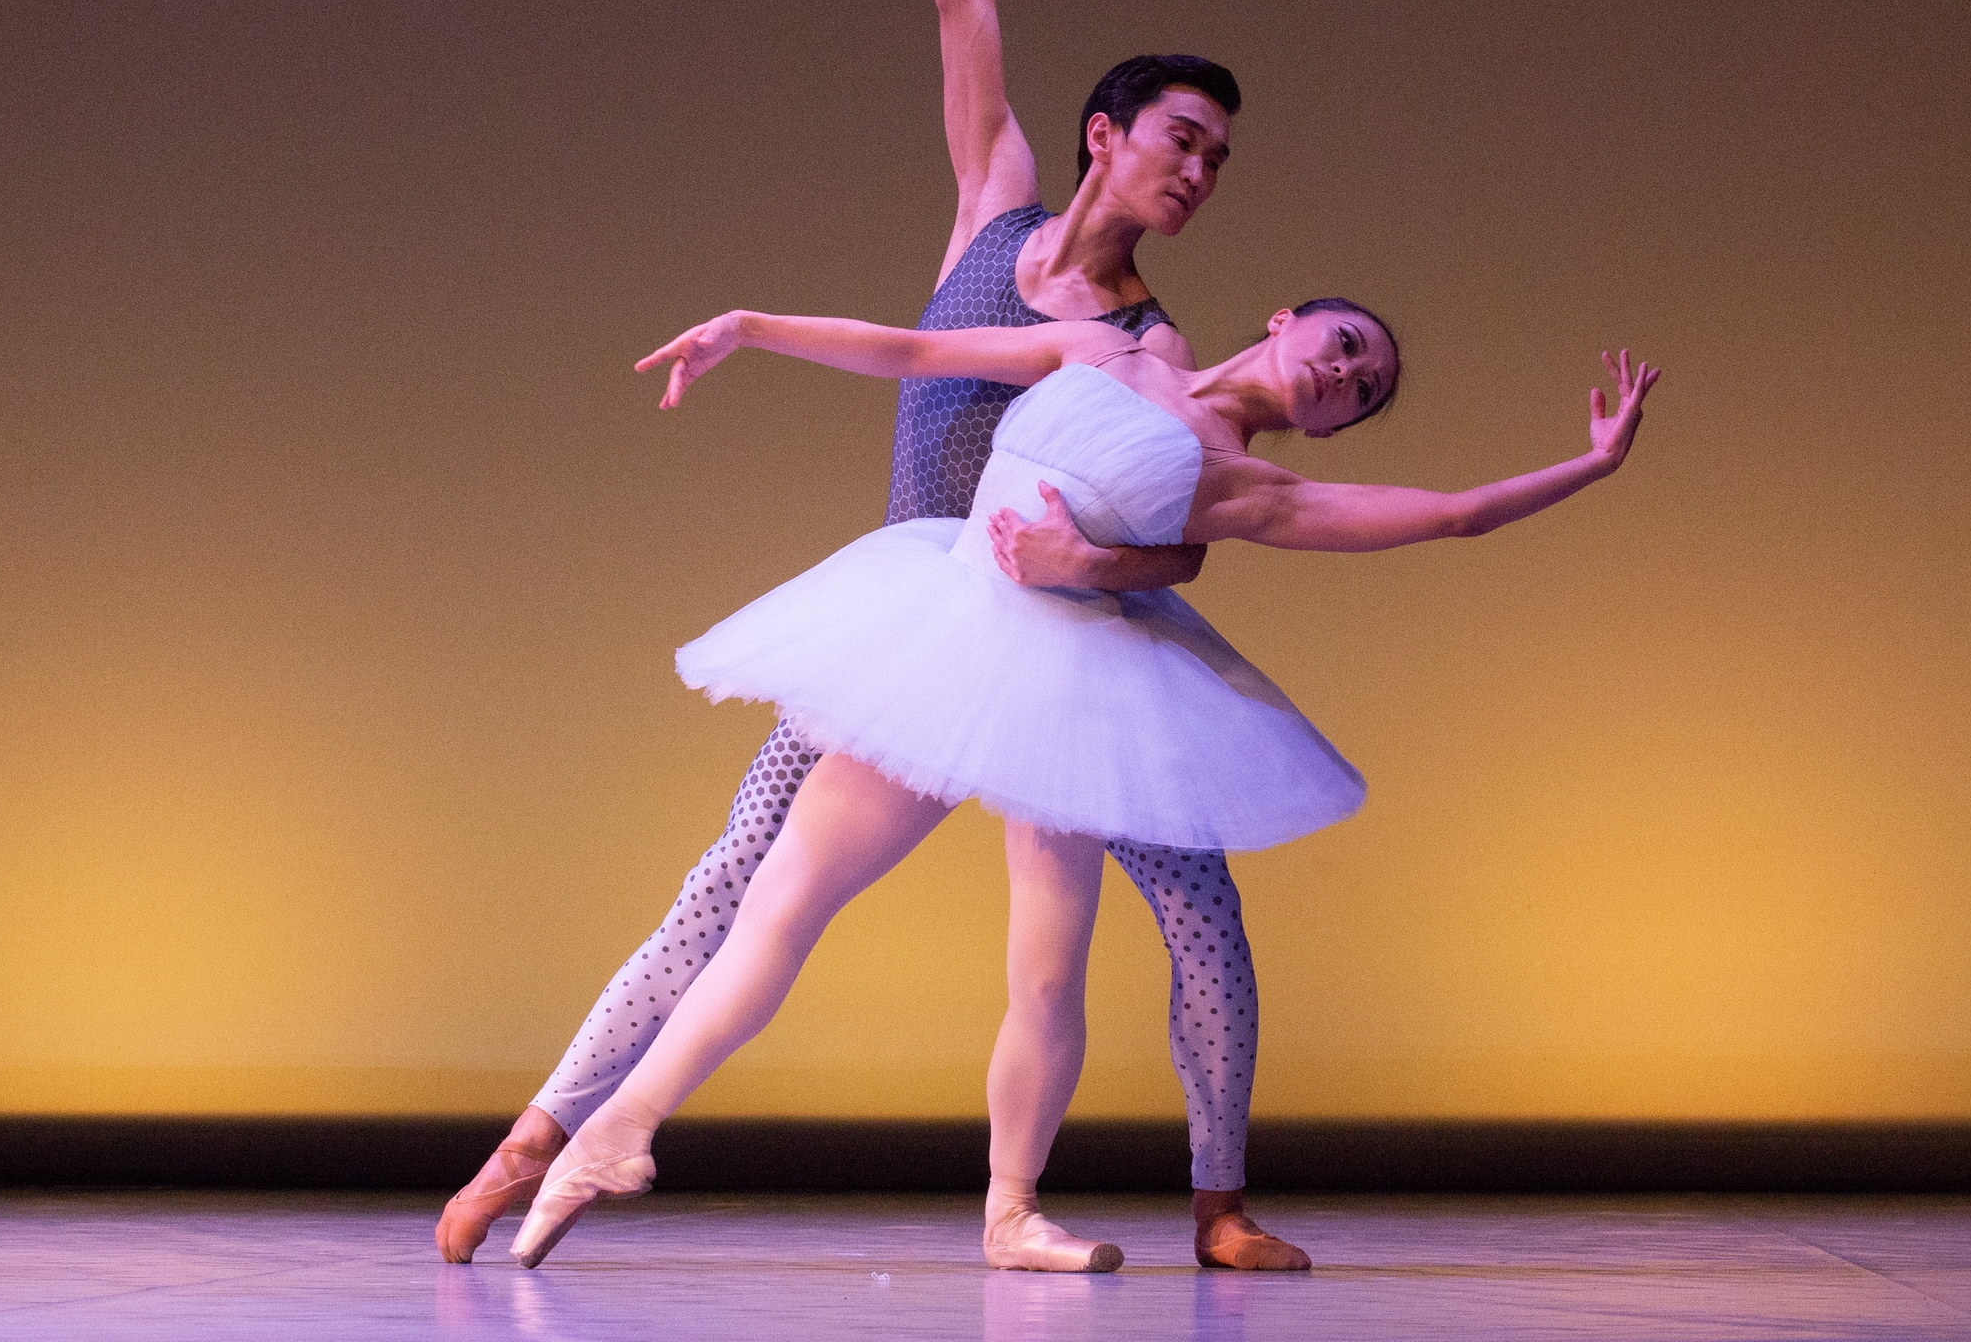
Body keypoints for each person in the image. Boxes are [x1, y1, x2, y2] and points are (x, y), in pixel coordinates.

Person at [439, 0, 1306, 1269]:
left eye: (1218, 161)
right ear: (1107, 135)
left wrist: (1091, 572)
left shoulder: (1152, 347)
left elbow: (1189, 538)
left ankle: (1218, 1201)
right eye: (1182, 140)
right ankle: (546, 1135)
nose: (1198, 172)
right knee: (740, 878)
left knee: (1191, 904)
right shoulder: (997, 207)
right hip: (917, 619)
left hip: (1067, 645)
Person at [501, 305, 1658, 1270]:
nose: (1344, 375)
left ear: (1328, 426)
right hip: (945, 627)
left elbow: (1450, 515)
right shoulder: (1107, 347)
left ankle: (1010, 1210)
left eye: (1361, 392)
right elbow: (915, 351)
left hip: (1066, 693)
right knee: (782, 900)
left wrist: (1593, 464)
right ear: (1287, 320)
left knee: (1047, 968)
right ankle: (618, 1130)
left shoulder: (1246, 486)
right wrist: (751, 327)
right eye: (1346, 344)